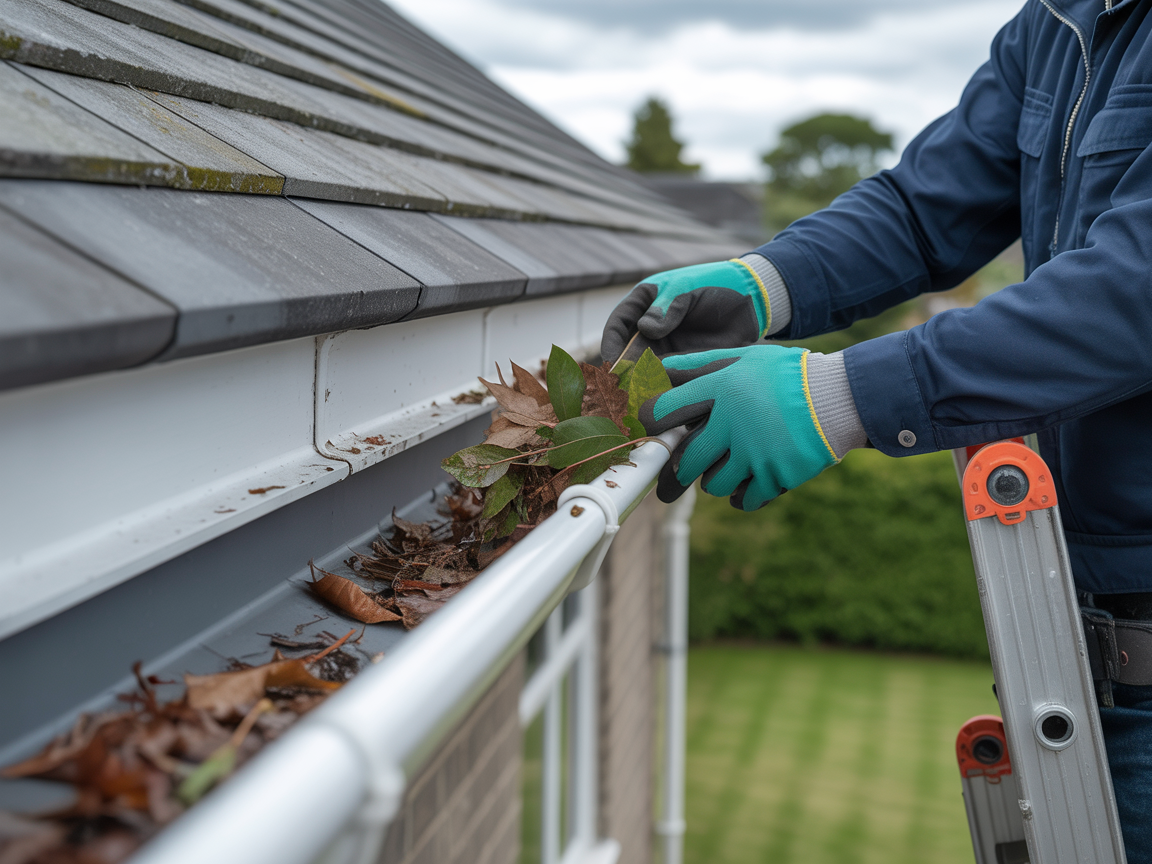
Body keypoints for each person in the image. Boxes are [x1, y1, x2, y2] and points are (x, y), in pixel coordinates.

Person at [601, 0, 1152, 857]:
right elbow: (927, 207)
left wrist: (842, 394)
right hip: (1087, 664)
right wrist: (766, 283)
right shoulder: (1060, 20)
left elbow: (1134, 294)